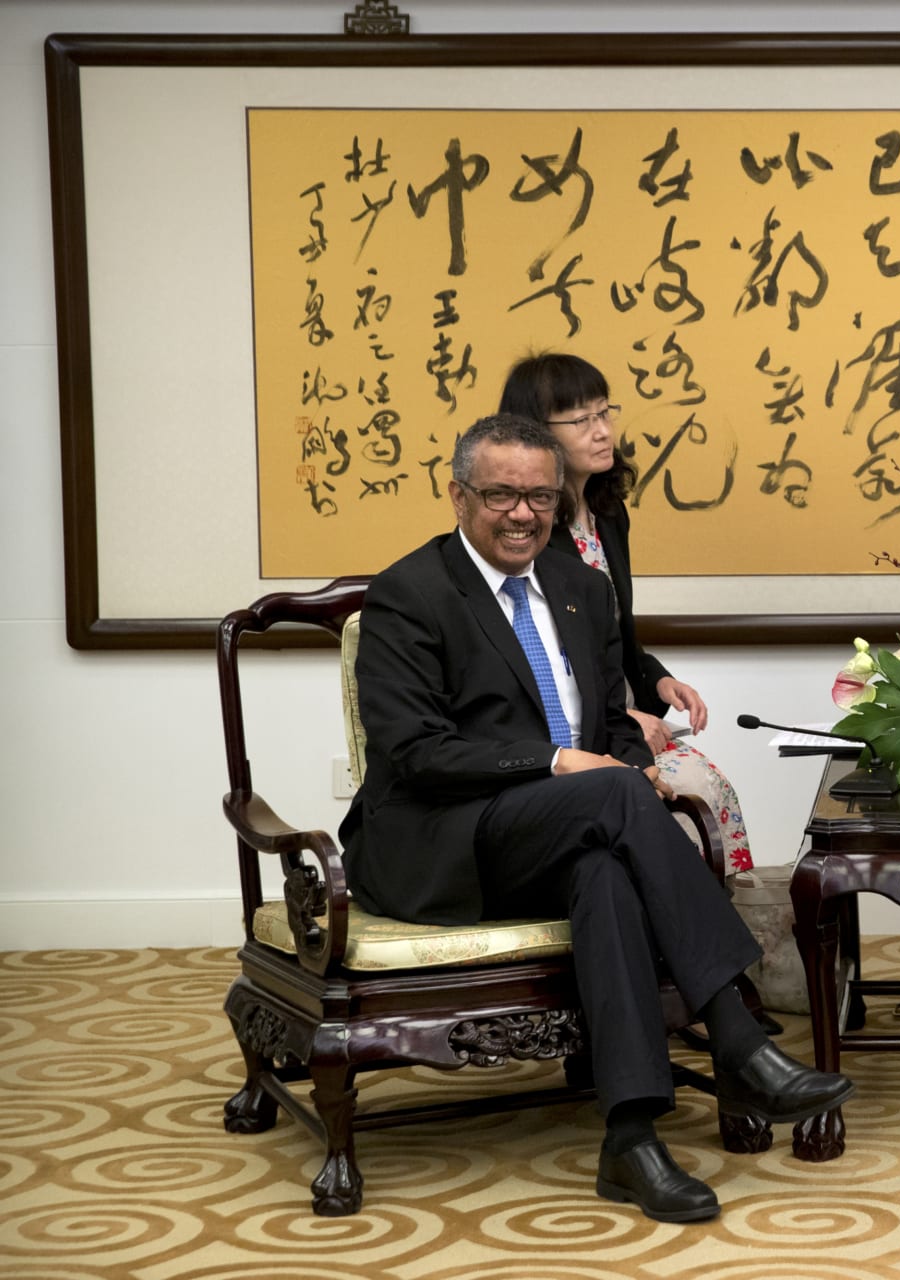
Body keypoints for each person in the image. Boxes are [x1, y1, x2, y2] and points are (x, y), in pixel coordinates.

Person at [340, 414, 852, 1223]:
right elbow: (412, 752)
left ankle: (631, 1138)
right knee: (611, 795)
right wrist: (557, 763)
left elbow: (607, 723)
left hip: (564, 833)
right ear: (458, 495)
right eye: (501, 494)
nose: (522, 514)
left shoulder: (581, 587)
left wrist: (632, 761)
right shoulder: (411, 594)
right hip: (441, 843)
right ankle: (738, 1036)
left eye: (539, 496)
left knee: (605, 873)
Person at [499, 352, 754, 871]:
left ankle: (706, 926)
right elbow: (538, 657)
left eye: (604, 413)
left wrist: (657, 682)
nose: (603, 431)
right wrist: (625, 719)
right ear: (536, 434)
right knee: (695, 790)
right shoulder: (525, 534)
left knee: (710, 791)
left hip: (621, 714)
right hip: (576, 734)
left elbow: (612, 635)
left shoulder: (607, 514)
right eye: (582, 420)